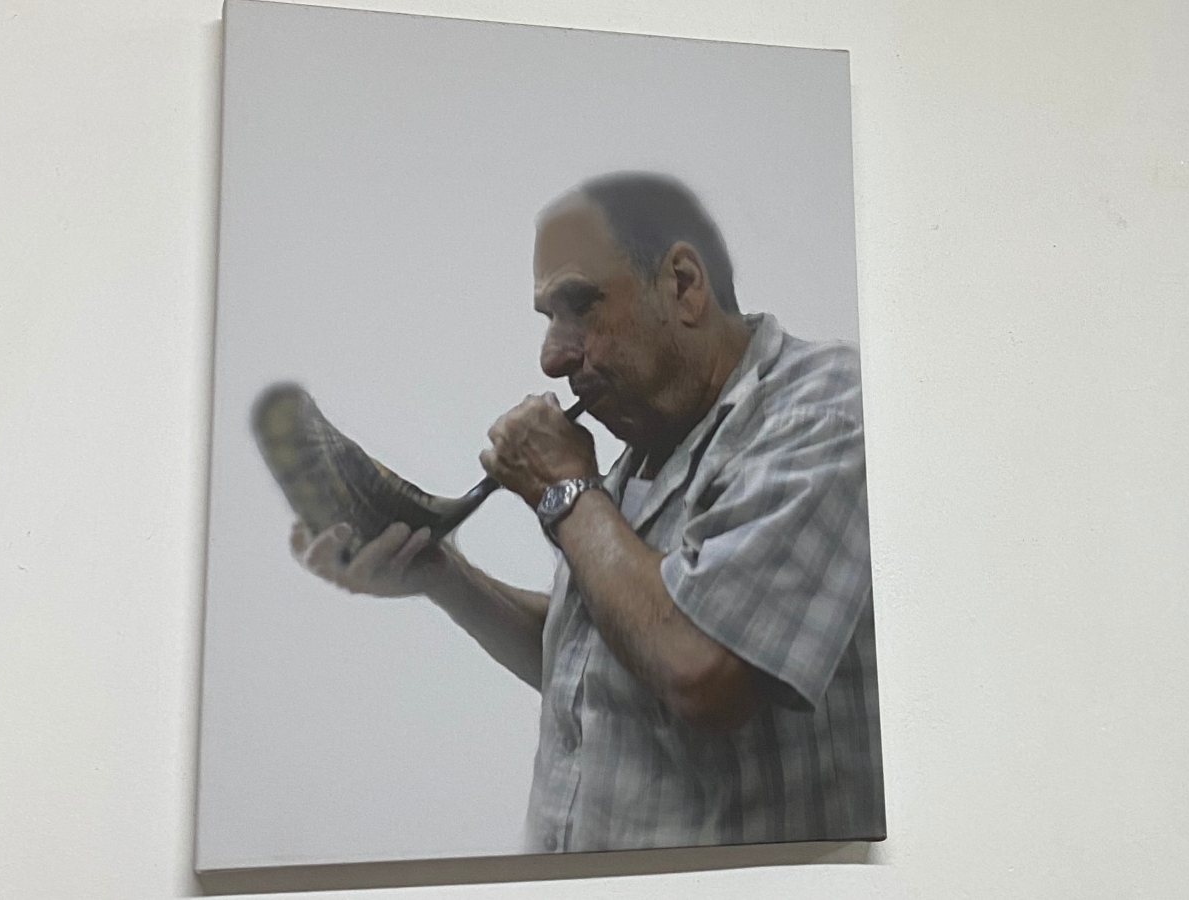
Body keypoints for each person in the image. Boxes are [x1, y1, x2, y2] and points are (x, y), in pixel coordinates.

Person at [291, 172, 883, 852]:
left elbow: (700, 670)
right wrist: (443, 576)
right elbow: (605, 658)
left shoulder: (822, 410)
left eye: (580, 305)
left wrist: (566, 489)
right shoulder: (656, 435)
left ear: (684, 285)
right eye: (548, 318)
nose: (552, 356)